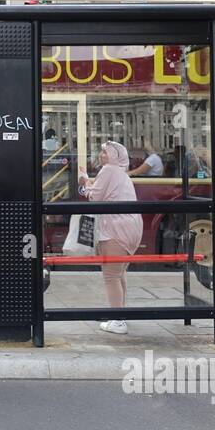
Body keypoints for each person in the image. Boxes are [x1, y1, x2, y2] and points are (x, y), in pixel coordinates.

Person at [80, 141, 145, 335]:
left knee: (111, 276)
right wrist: (88, 184)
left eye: (106, 153)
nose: (102, 156)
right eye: (101, 152)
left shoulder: (109, 170)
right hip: (131, 228)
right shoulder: (121, 173)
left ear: (115, 157)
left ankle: (117, 320)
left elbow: (94, 198)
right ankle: (118, 312)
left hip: (116, 228)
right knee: (119, 274)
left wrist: (84, 184)